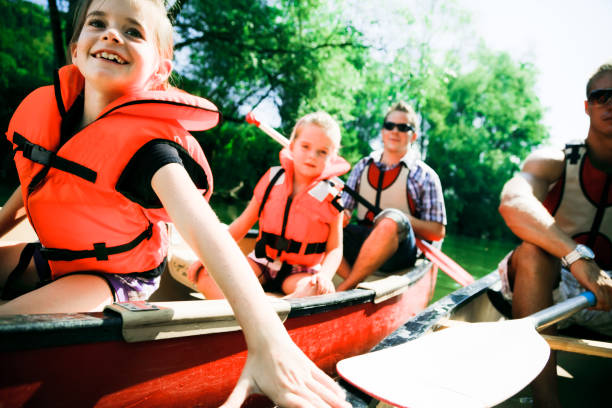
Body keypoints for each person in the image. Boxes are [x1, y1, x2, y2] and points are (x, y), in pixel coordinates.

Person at [0, 1, 350, 406]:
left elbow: (209, 234)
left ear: (160, 71)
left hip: (113, 278)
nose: (112, 34)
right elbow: (21, 203)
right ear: (76, 49)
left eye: (133, 31)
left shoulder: (149, 152)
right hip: (56, 255)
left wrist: (268, 340)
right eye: (98, 22)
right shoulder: (55, 124)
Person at [498, 62, 612, 408]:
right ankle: (547, 403)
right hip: (554, 288)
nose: (611, 103)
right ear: (587, 106)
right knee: (531, 253)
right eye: (601, 96)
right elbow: (512, 201)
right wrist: (579, 260)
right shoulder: (555, 160)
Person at [190, 112, 349, 299]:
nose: (312, 156)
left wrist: (325, 276)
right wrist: (206, 257)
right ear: (292, 146)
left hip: (301, 273)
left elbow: (335, 249)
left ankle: (264, 310)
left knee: (315, 290)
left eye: (322, 152)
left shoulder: (332, 196)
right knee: (205, 274)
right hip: (261, 263)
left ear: (333, 157)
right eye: (305, 146)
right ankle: (259, 308)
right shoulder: (273, 180)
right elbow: (241, 226)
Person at [336, 101, 446, 291]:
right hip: (362, 240)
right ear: (382, 131)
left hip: (399, 252)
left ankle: (346, 287)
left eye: (403, 127)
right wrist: (340, 216)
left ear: (414, 136)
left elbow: (437, 231)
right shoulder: (363, 166)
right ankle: (348, 277)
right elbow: (344, 208)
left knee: (391, 221)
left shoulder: (425, 176)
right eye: (389, 126)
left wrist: (399, 219)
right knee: (325, 217)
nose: (395, 131)